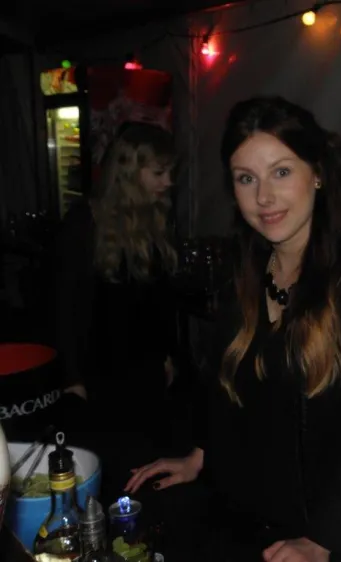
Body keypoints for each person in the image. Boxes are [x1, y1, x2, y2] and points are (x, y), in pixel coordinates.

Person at [126, 96, 341, 562]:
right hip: (241, 522)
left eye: (281, 172)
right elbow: (225, 389)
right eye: (246, 178)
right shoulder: (245, 270)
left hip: (319, 538)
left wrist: (324, 539)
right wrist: (202, 453)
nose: (263, 197)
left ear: (317, 173)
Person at [52, 122, 182, 506]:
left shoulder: (155, 217)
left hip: (145, 370)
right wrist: (71, 377)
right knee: (110, 475)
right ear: (129, 171)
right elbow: (63, 306)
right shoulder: (84, 222)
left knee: (150, 469)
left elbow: (159, 299)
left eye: (170, 172)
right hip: (100, 374)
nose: (169, 182)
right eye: (159, 172)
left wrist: (167, 353)